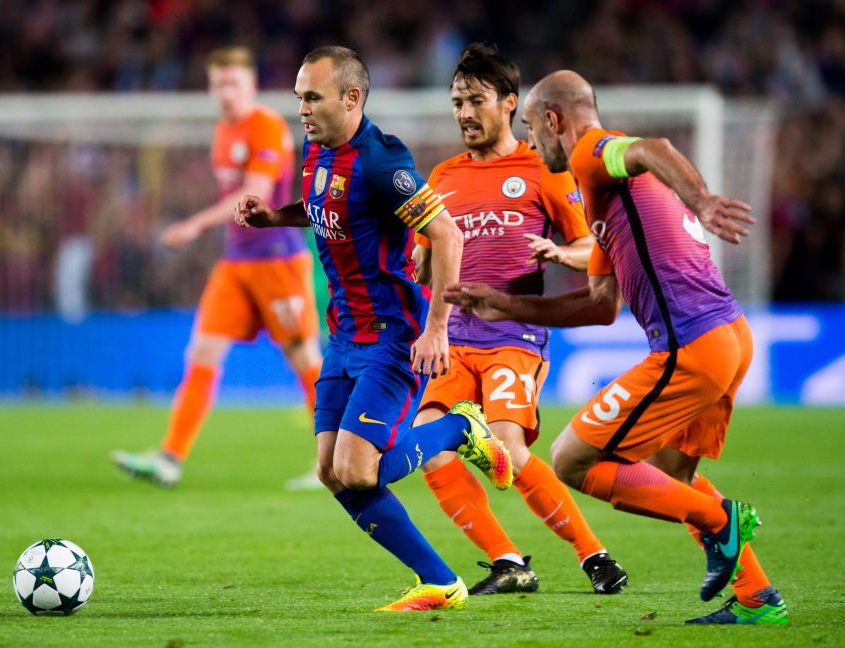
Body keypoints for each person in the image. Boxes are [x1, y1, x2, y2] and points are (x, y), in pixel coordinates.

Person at [444, 69, 788, 625]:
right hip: (730, 337)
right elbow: (600, 306)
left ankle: (721, 519)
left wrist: (700, 202)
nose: (532, 142)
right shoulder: (605, 200)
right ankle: (756, 596)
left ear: (554, 120)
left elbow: (656, 147)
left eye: (532, 127)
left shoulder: (589, 154)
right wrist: (503, 304)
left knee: (572, 459)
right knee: (670, 478)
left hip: (690, 343)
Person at [235, 45, 513, 612]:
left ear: (352, 98)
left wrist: (437, 330)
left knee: (357, 467)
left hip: (391, 336)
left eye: (312, 97)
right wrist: (276, 216)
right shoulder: (316, 150)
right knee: (331, 471)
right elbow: (324, 207)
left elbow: (448, 236)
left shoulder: (384, 163)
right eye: (299, 98)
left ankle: (457, 430)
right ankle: (440, 580)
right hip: (343, 336)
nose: (303, 109)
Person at [413, 43, 627, 597]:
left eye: (476, 100)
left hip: (514, 334)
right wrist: (421, 263)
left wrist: (561, 255)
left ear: (509, 103)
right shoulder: (443, 175)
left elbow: (592, 248)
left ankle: (593, 555)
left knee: (507, 449)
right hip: (454, 339)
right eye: (457, 100)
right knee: (427, 447)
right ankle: (508, 561)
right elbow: (426, 256)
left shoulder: (542, 169)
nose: (464, 112)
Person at [112, 47, 322, 488]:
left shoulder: (265, 126)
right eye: (219, 84)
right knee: (203, 352)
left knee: (303, 356)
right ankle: (169, 458)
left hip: (277, 260)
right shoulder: (223, 133)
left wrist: (194, 224)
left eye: (235, 84)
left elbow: (255, 192)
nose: (226, 93)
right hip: (236, 262)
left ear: (253, 87)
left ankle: (337, 461)